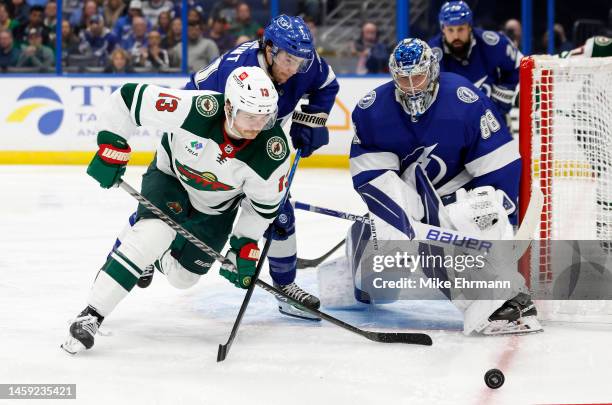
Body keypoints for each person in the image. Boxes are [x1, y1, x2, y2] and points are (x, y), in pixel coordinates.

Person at [115, 15, 338, 320]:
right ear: (269, 49)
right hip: (205, 144)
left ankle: (286, 289)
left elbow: (327, 84)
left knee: (279, 213)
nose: (293, 69)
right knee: (175, 207)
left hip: (254, 147)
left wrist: (312, 119)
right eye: (287, 59)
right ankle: (137, 244)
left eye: (299, 62)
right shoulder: (236, 71)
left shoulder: (303, 63)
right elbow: (192, 112)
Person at [61, 66, 288, 354]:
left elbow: (262, 208)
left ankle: (151, 250)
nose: (257, 126)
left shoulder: (273, 153)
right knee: (153, 235)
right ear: (229, 106)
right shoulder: (196, 109)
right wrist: (111, 144)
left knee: (184, 278)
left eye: (264, 117)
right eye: (250, 116)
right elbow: (129, 99)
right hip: (171, 180)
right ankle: (92, 313)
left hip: (216, 210)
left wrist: (244, 243)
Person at [342, 38, 541, 336]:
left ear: (433, 72)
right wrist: (400, 217)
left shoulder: (463, 99)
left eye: (418, 77)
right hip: (410, 194)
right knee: (385, 260)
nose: (411, 87)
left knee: (478, 216)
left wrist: (490, 210)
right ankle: (359, 243)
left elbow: (499, 164)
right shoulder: (372, 111)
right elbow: (373, 176)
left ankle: (498, 302)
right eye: (403, 79)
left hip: (462, 189)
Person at [428, 1, 521, 117]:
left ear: (470, 27)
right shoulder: (431, 55)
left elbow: (520, 65)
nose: (456, 36)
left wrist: (506, 91)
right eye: (450, 30)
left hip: (495, 121)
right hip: (454, 125)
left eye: (461, 29)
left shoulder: (492, 43)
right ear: (443, 29)